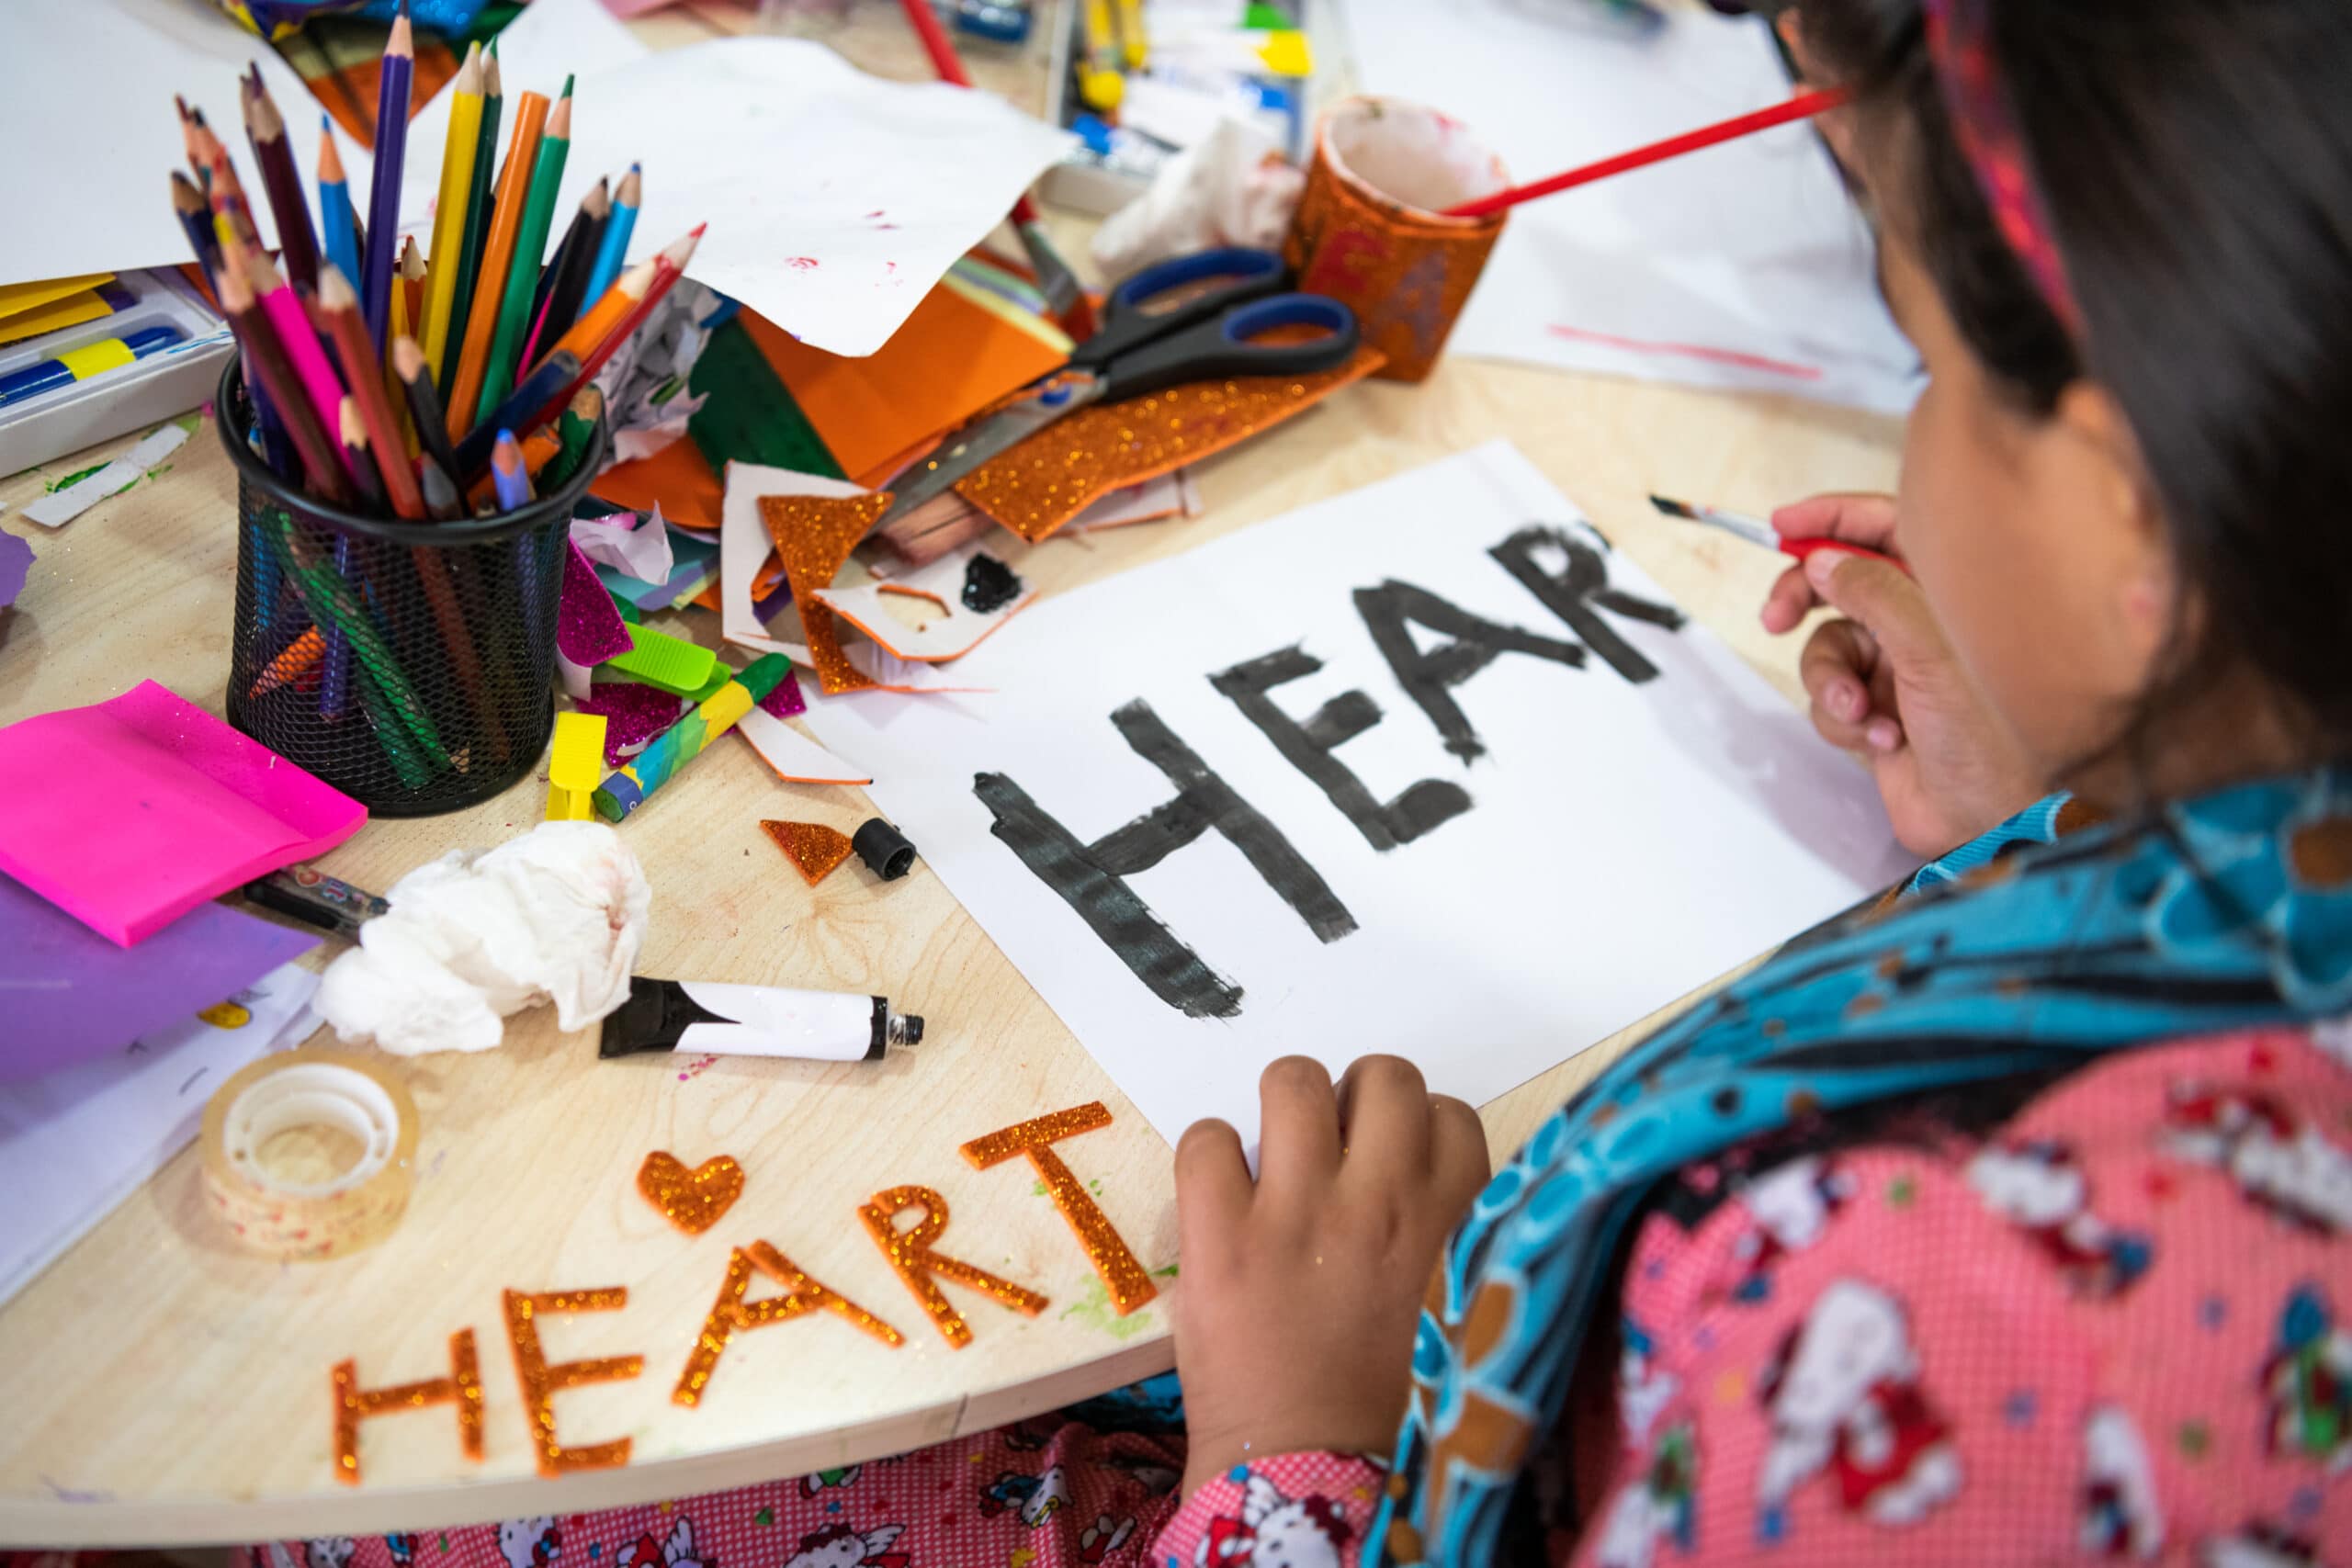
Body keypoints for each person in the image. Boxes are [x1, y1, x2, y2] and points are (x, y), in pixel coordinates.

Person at [242, 0, 2352, 1564]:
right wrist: (2058, 789)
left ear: (2135, 507)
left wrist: (1297, 1459)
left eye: (1929, 364)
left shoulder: (1953, 1334)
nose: (1907, 455)